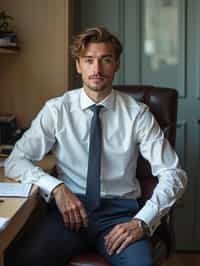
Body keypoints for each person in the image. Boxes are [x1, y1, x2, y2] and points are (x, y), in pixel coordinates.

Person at [4, 27, 187, 266]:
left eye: (106, 60)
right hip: (68, 214)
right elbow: (15, 161)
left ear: (116, 65)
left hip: (119, 215)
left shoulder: (137, 114)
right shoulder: (57, 110)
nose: (97, 69)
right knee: (19, 259)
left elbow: (174, 174)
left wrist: (141, 221)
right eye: (89, 61)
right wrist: (57, 188)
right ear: (78, 65)